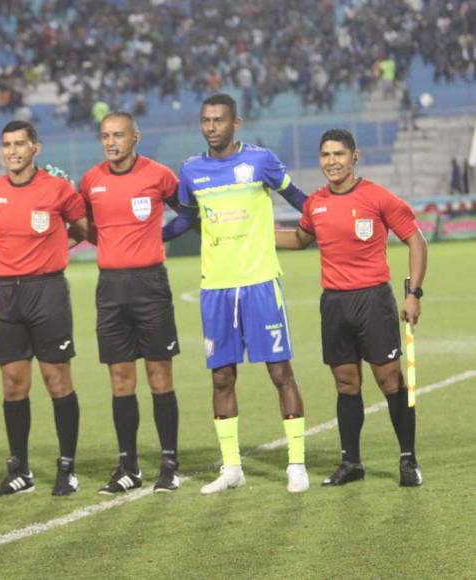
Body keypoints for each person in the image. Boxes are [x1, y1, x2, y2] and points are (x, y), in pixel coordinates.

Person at [165, 93, 310, 494]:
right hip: (216, 289)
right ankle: (232, 469)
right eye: (206, 120)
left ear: (236, 123)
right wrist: (147, 236)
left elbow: (300, 200)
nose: (211, 127)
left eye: (218, 120)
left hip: (261, 282)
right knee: (221, 378)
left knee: (280, 372)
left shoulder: (261, 161)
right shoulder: (191, 170)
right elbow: (184, 222)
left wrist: (325, 221)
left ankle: (296, 464)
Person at [276, 128, 427, 487]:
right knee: (346, 383)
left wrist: (413, 293)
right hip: (334, 303)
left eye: (339, 154)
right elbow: (299, 240)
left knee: (389, 380)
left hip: (373, 300)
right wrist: (254, 233)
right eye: (326, 155)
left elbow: (416, 241)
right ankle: (351, 463)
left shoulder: (377, 197)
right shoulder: (315, 203)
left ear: (354, 157)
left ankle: (408, 459)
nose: (332, 162)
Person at [0, 121, 89, 496]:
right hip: (5, 294)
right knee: (13, 384)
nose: (13, 151)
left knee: (57, 380)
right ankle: (20, 469)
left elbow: (83, 230)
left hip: (47, 292)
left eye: (20, 144)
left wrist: (55, 251)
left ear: (35, 148)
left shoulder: (58, 190)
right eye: (7, 145)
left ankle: (67, 468)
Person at [79, 112, 181, 494]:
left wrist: (160, 234)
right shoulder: (91, 180)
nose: (110, 142)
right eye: (105, 135)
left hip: (150, 284)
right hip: (110, 287)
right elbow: (82, 223)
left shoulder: (159, 175)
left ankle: (169, 463)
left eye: (118, 135)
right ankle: (129, 466)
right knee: (120, 379)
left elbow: (187, 212)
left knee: (159, 375)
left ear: (135, 137)